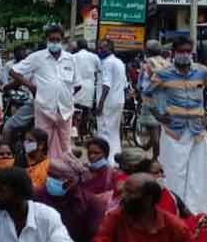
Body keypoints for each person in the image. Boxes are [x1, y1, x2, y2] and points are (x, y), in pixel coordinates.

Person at [148, 37, 207, 214]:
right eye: (181, 51)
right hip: (173, 130)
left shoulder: (202, 72)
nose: (185, 55)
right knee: (173, 171)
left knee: (198, 172)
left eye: (188, 51)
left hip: (197, 129)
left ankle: (197, 211)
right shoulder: (164, 73)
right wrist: (158, 115)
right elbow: (146, 93)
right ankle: (172, 208)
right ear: (173, 53)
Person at [10, 24, 80, 160]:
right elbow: (14, 71)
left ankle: (64, 174)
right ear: (47, 40)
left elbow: (77, 84)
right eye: (51, 39)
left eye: (57, 40)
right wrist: (31, 86)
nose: (54, 43)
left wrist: (67, 96)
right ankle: (40, 173)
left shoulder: (71, 59)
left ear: (62, 40)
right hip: (44, 108)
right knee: (42, 145)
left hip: (65, 110)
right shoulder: (37, 57)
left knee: (65, 146)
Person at [33, 157, 107, 242]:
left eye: (57, 177)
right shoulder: (37, 196)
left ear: (73, 181)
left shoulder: (92, 203)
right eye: (49, 175)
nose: (51, 180)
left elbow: (94, 239)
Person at [95, 39, 127, 163]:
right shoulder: (119, 62)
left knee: (104, 132)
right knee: (114, 132)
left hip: (107, 103)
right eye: (99, 48)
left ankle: (107, 161)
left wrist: (100, 103)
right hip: (118, 101)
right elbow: (124, 84)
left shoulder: (107, 63)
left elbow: (106, 84)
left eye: (102, 48)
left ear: (110, 48)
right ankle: (116, 160)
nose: (100, 51)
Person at [139, 40, 170, 157]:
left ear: (147, 51)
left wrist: (145, 92)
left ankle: (155, 159)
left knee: (154, 133)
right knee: (160, 132)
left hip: (150, 101)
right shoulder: (167, 64)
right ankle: (157, 156)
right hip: (164, 101)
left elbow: (141, 84)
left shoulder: (147, 63)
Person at [72, 38, 100, 138]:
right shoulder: (94, 57)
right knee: (85, 112)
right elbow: (99, 70)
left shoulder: (73, 57)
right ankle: (82, 134)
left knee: (74, 111)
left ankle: (75, 133)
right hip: (89, 86)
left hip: (76, 86)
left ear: (78, 47)